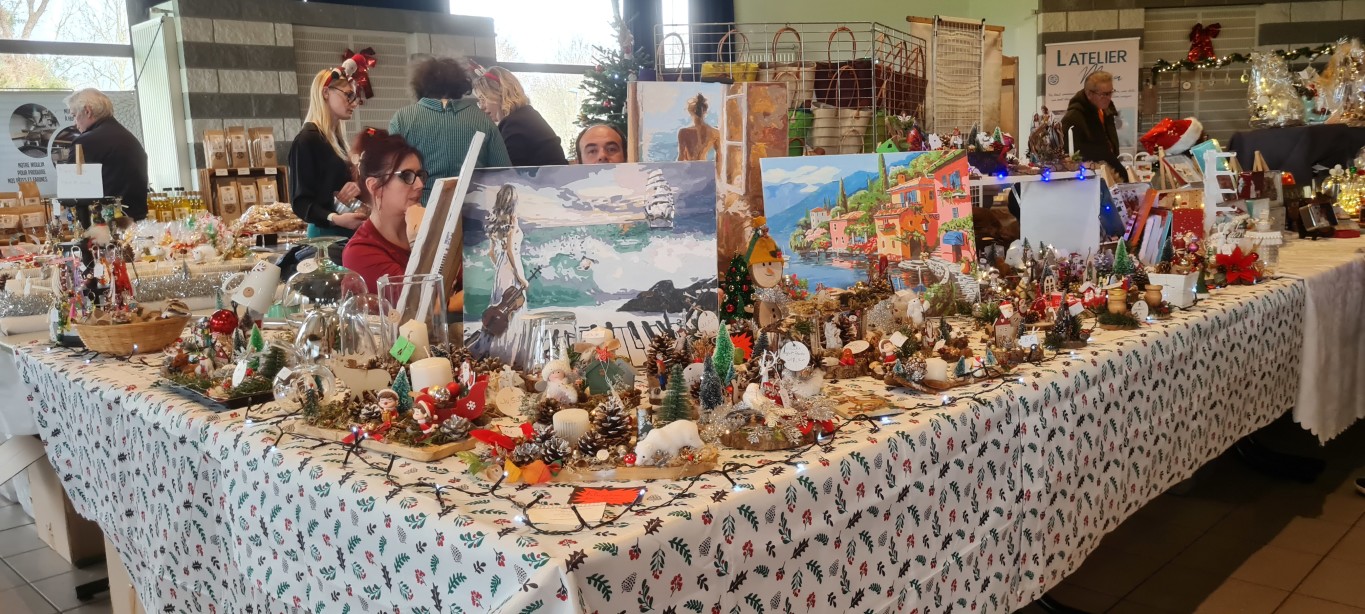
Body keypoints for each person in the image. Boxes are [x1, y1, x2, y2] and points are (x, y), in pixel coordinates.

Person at [391, 57, 511, 203]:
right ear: (460, 85)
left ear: (420, 85)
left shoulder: (402, 119)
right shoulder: (483, 120)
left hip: (419, 208)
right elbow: (503, 173)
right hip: (472, 208)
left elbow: (392, 175)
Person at [341, 129, 425, 292]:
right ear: (374, 187)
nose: (420, 185)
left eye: (420, 175)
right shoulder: (360, 253)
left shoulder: (425, 225)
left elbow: (471, 285)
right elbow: (423, 300)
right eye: (406, 176)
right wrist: (419, 241)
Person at [289, 69, 367, 238]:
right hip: (325, 235)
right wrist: (335, 218)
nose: (354, 103)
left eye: (354, 97)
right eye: (348, 95)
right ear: (326, 93)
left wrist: (355, 185)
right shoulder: (307, 140)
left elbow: (332, 188)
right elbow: (300, 202)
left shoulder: (337, 140)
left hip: (345, 230)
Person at [64, 88, 148, 225]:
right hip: (136, 221)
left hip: (104, 225)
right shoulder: (127, 137)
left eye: (74, 115)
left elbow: (72, 191)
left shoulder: (86, 141)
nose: (74, 123)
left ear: (87, 111)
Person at [470, 184, 529, 363]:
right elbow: (511, 251)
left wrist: (499, 267)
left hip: (501, 270)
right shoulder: (513, 219)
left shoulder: (497, 222)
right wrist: (520, 277)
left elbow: (491, 253)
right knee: (513, 310)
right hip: (511, 268)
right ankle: (510, 356)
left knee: (498, 310)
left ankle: (492, 352)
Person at [471, 66, 568, 166]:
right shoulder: (526, 116)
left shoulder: (514, 124)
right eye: (479, 101)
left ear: (501, 94)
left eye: (483, 99)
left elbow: (506, 170)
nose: (481, 107)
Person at [1061, 71, 1131, 182]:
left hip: (1109, 171)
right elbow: (1071, 153)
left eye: (1110, 93)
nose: (1108, 98)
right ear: (1089, 94)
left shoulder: (1106, 110)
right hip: (1090, 178)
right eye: (1103, 94)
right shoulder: (1073, 117)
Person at [676, 93, 719, 161]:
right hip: (705, 166)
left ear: (690, 111)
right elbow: (719, 158)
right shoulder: (715, 132)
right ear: (705, 111)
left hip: (690, 166)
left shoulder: (684, 132)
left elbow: (681, 157)